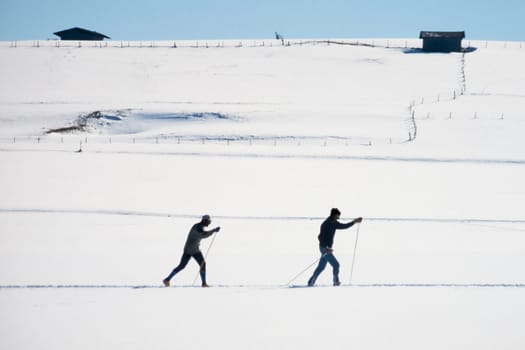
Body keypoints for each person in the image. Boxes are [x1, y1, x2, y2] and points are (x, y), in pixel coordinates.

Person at [307, 208, 362, 286]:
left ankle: (310, 282)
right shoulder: (327, 224)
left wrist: (354, 221)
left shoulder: (333, 223)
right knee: (336, 265)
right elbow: (320, 237)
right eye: (337, 216)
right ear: (333, 215)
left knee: (321, 267)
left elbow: (344, 226)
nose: (338, 218)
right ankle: (335, 282)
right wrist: (326, 248)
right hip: (325, 249)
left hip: (325, 248)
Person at [163, 215, 220, 288]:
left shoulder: (199, 226)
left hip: (194, 249)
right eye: (208, 222)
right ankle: (167, 279)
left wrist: (213, 230)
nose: (209, 223)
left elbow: (204, 234)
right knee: (182, 266)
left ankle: (204, 283)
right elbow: (203, 235)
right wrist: (213, 230)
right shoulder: (197, 227)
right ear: (204, 221)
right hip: (190, 250)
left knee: (201, 264)